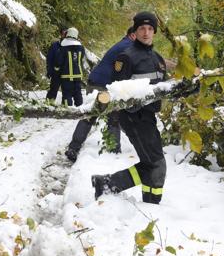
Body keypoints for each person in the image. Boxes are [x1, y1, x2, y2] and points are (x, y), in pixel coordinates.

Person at [91, 12, 168, 204]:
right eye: (141, 28)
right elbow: (118, 92)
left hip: (149, 116)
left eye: (150, 29)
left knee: (151, 164)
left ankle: (107, 183)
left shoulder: (158, 59)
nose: (146, 32)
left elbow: (162, 89)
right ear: (135, 31)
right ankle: (151, 204)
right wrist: (132, 111)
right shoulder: (126, 57)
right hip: (134, 118)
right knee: (157, 164)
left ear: (155, 32)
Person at [64, 26, 137, 162]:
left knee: (90, 116)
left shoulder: (123, 44)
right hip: (102, 85)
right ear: (133, 35)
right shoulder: (128, 45)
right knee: (114, 116)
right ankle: (113, 151)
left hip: (96, 81)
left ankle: (73, 148)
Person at [54, 27, 85, 106]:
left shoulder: (63, 47)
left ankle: (68, 109)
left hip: (66, 76)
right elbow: (80, 59)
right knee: (78, 93)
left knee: (67, 93)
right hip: (78, 75)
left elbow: (59, 61)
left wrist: (56, 68)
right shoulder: (81, 48)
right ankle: (80, 107)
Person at [45, 26, 68, 103]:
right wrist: (49, 70)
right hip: (56, 73)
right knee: (53, 90)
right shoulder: (55, 45)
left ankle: (65, 108)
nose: (64, 35)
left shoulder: (72, 46)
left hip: (67, 73)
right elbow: (49, 59)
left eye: (66, 33)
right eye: (63, 33)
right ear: (61, 34)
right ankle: (48, 104)